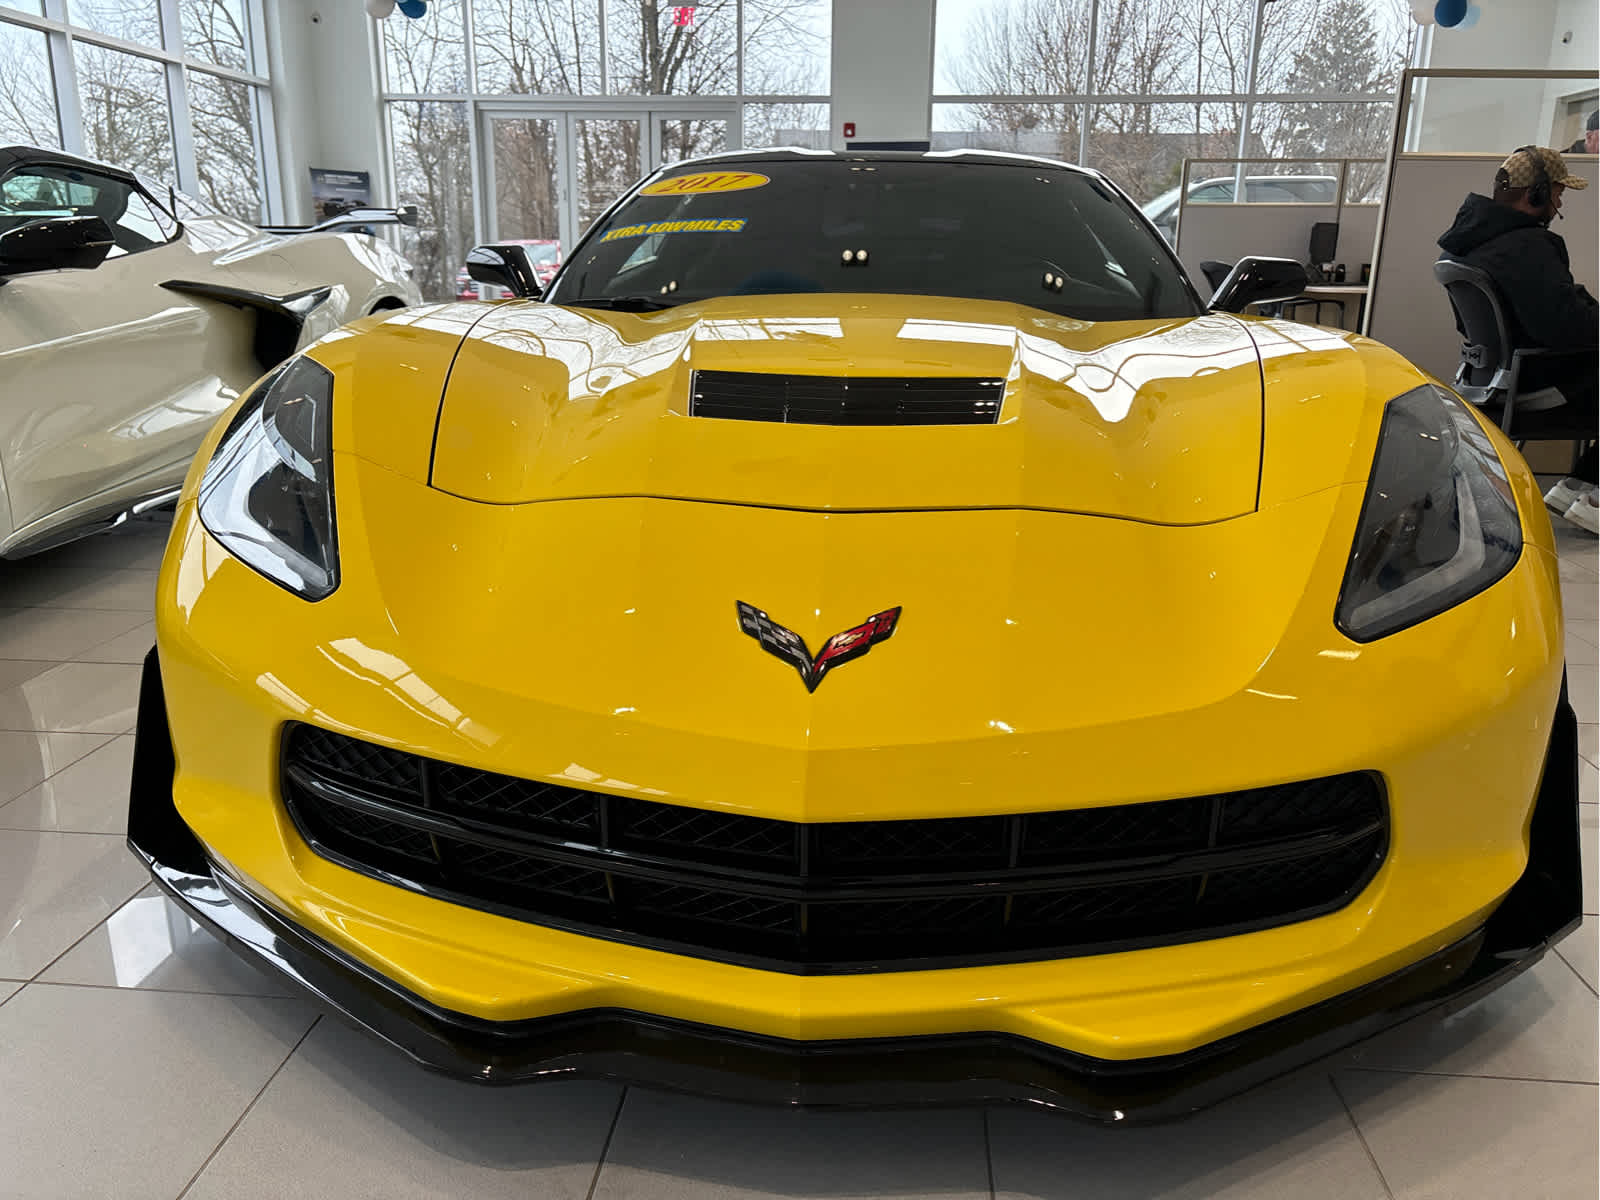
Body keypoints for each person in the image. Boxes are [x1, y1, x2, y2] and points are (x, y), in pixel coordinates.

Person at [1437, 146, 1599, 534]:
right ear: (1536, 194)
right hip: (1539, 381)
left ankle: (1576, 486)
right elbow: (1563, 327)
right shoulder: (1527, 245)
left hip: (1492, 379)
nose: (1559, 204)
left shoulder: (1465, 244)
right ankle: (1592, 499)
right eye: (1557, 193)